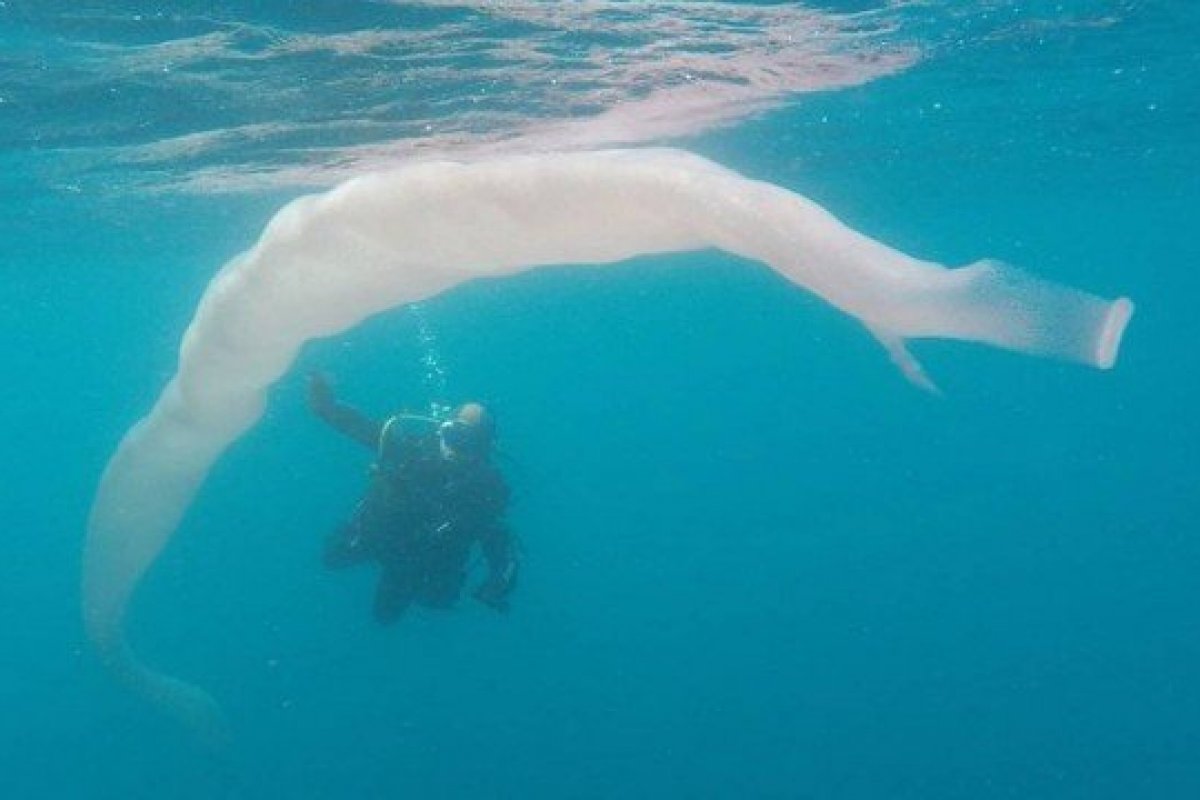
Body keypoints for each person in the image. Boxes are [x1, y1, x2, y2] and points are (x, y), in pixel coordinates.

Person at [307, 372, 517, 623]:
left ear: (482, 448)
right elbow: (362, 428)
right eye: (452, 437)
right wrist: (325, 406)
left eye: (467, 442)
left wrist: (498, 583)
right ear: (441, 431)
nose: (455, 449)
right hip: (381, 535)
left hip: (420, 563)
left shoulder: (486, 489)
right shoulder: (412, 452)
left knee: (391, 615)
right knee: (332, 557)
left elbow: (498, 540)